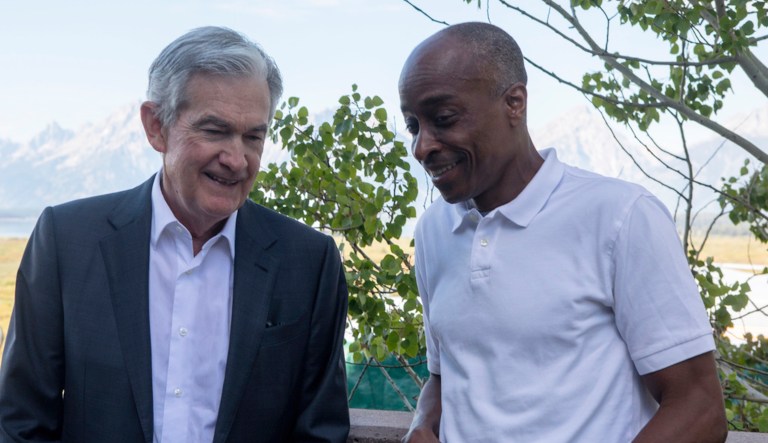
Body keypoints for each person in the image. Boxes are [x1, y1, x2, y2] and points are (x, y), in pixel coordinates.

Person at [0, 26, 349, 443]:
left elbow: (320, 431)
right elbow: (20, 421)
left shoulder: (309, 262)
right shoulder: (67, 241)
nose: (237, 159)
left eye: (253, 136)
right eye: (215, 131)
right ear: (156, 127)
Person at [399, 22, 727, 442]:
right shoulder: (432, 231)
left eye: (443, 119)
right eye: (413, 125)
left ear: (514, 103)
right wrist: (422, 422)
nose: (422, 147)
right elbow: (447, 372)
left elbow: (699, 408)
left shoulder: (621, 217)